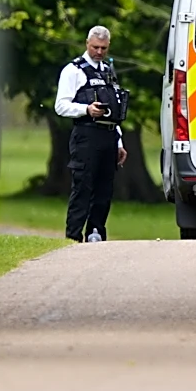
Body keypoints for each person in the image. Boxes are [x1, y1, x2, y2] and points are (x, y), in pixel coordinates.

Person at [54, 25, 128, 242]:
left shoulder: (107, 70)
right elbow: (61, 106)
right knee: (83, 187)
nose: (99, 52)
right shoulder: (73, 70)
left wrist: (119, 142)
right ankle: (73, 236)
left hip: (109, 134)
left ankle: (96, 233)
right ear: (87, 44)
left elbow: (114, 109)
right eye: (95, 47)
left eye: (103, 48)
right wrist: (86, 109)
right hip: (86, 135)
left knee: (104, 189)